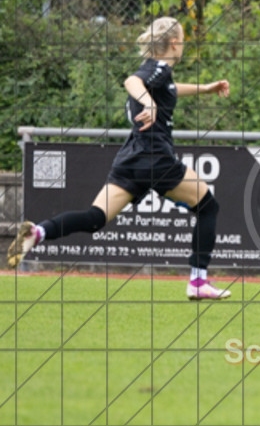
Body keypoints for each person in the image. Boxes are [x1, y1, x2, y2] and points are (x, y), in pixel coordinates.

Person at [7, 17, 233, 300]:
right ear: (174, 42)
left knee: (94, 219)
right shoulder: (157, 69)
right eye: (183, 38)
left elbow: (170, 90)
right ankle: (198, 282)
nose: (184, 44)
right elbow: (132, 81)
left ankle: (38, 233)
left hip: (131, 159)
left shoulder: (159, 74)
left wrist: (205, 88)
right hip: (156, 158)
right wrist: (149, 102)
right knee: (208, 208)